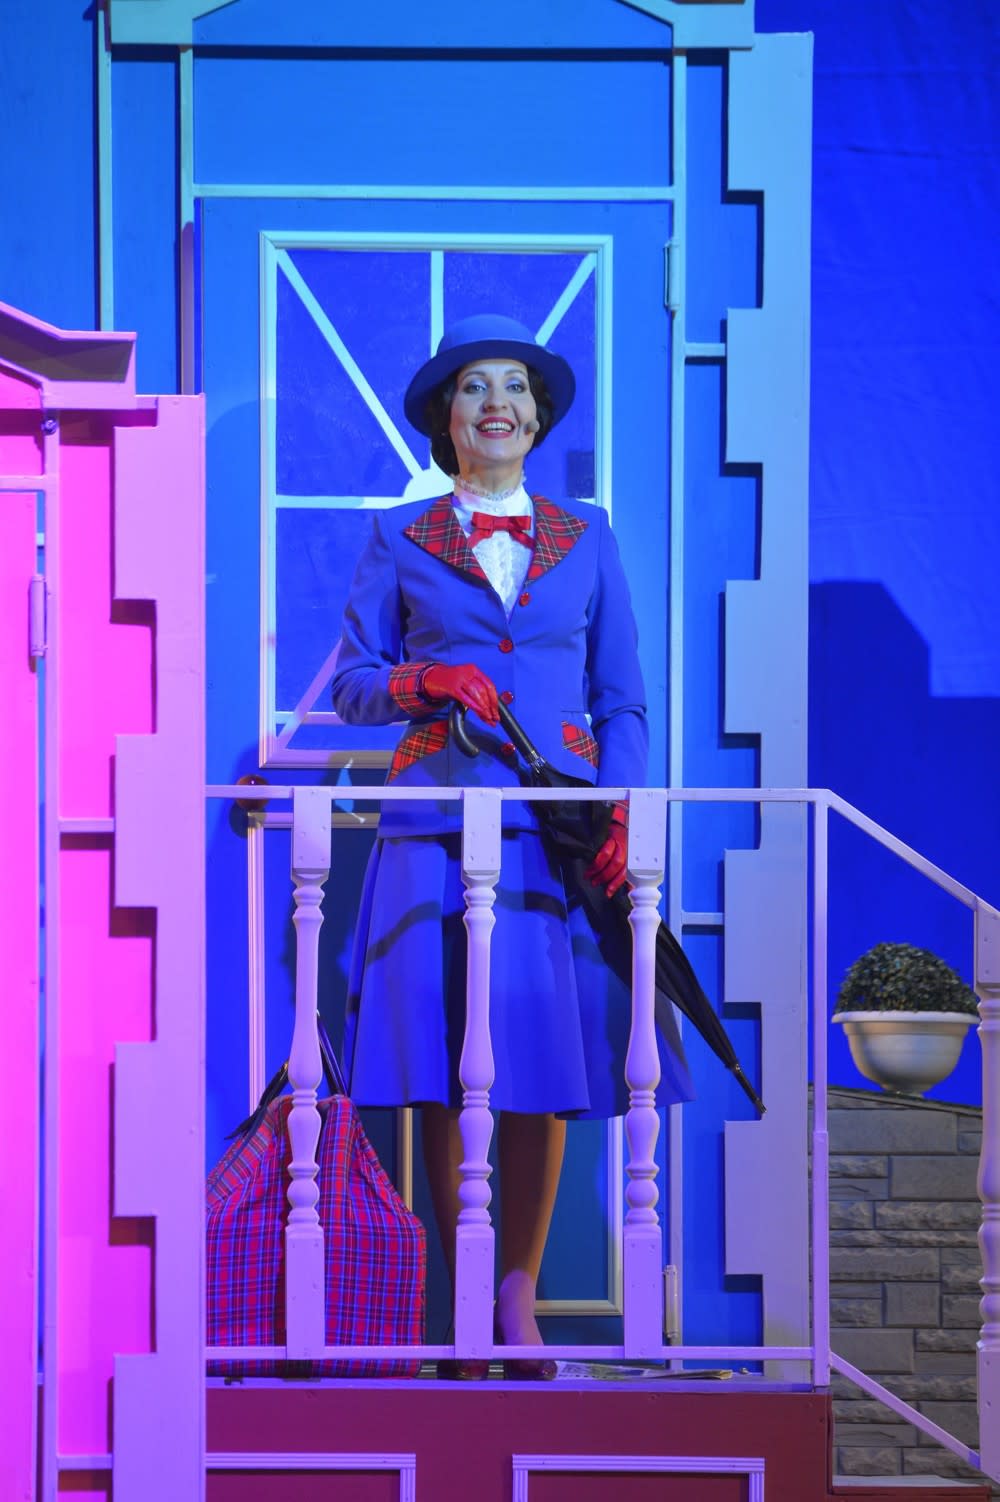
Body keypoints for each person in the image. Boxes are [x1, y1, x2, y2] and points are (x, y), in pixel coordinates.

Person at [331, 313, 693, 1379]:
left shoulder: (589, 537)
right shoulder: (400, 535)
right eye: (474, 387)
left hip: (554, 828)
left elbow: (622, 698)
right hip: (436, 824)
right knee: (453, 1059)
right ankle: (468, 1297)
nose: (496, 402)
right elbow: (353, 684)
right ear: (447, 418)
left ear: (536, 419)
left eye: (515, 388)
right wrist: (424, 679)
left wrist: (621, 808)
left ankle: (516, 1301)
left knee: (543, 1053)